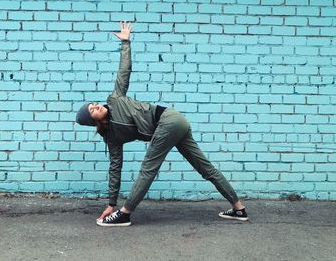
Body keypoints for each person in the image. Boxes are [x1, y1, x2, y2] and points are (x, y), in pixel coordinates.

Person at [76, 22, 249, 227]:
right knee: (204, 167)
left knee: (148, 169)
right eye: (92, 110)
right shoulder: (112, 138)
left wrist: (125, 43)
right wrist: (110, 203)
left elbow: (124, 72)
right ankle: (239, 208)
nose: (96, 106)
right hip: (172, 125)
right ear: (92, 121)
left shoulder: (115, 99)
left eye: (94, 104)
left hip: (169, 120)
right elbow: (115, 167)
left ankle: (125, 213)